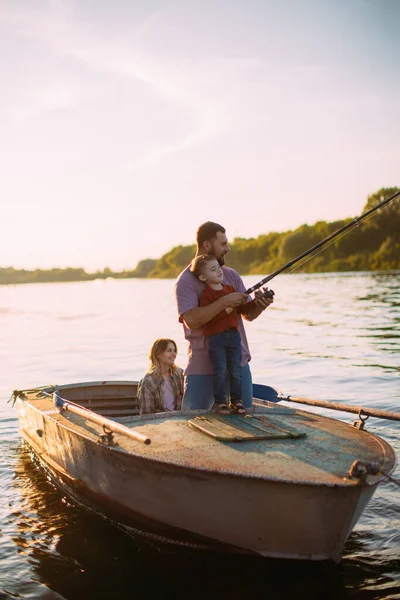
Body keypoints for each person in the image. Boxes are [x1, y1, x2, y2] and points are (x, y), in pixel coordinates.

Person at [175, 221, 274, 411]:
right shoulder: (185, 281)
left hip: (238, 361)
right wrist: (225, 300)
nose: (227, 248)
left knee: (244, 420)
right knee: (196, 425)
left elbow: (247, 314)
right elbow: (192, 320)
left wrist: (259, 305)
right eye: (223, 244)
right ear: (206, 245)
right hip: (202, 368)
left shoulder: (231, 275)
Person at [190, 254, 246, 415]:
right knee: (220, 370)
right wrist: (225, 309)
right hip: (217, 338)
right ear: (203, 277)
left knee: (235, 369)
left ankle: (237, 401)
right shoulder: (207, 295)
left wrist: (260, 300)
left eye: (218, 267)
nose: (219, 271)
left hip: (234, 336)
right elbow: (209, 320)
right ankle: (220, 402)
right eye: (213, 269)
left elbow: (244, 308)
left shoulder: (230, 289)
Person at [138, 338, 184, 415]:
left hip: (180, 419)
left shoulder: (180, 374)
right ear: (158, 354)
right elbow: (147, 413)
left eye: (174, 350)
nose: (174, 354)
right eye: (169, 350)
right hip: (160, 422)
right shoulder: (149, 381)